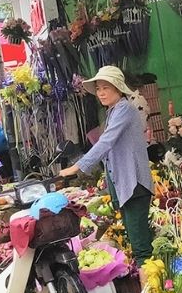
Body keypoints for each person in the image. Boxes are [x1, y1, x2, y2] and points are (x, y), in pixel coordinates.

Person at [59, 65, 154, 267]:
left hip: (134, 183)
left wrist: (77, 167)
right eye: (99, 88)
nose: (101, 93)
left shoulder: (124, 110)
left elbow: (106, 142)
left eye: (106, 88)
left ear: (118, 89)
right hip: (125, 184)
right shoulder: (114, 111)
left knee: (141, 247)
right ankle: (149, 291)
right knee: (135, 239)